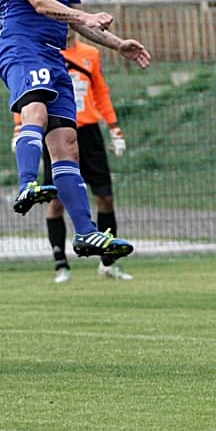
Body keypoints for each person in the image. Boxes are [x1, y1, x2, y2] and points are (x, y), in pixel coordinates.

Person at [0, 0, 151, 264]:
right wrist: (85, 17)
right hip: (22, 48)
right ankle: (26, 184)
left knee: (68, 144)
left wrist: (118, 44)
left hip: (55, 56)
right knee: (35, 110)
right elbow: (40, 3)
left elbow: (77, 19)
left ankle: (85, 232)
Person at [13, 30, 133, 283]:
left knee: (105, 196)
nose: (65, 25)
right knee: (54, 199)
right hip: (54, 128)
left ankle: (107, 262)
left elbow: (101, 92)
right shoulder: (42, 51)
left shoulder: (90, 54)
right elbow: (29, 93)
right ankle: (61, 264)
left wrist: (114, 128)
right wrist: (19, 128)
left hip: (88, 131)